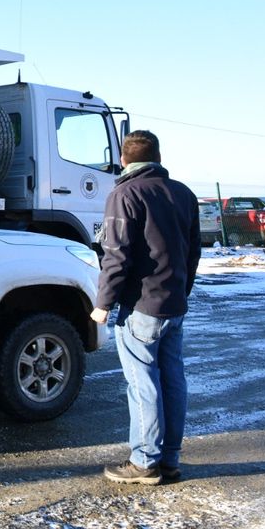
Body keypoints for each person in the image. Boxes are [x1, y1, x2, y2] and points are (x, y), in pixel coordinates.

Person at [91, 130, 201, 485]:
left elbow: (116, 255)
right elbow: (193, 250)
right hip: (173, 303)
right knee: (172, 380)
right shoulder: (183, 193)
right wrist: (182, 290)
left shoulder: (124, 193)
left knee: (142, 383)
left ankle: (143, 462)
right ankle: (169, 459)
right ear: (157, 156)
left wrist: (103, 303)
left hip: (140, 305)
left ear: (124, 160)